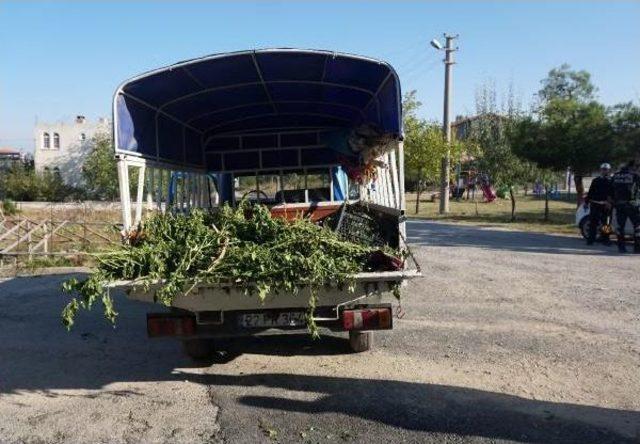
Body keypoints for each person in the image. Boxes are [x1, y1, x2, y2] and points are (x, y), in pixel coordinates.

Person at [610, 160, 640, 253]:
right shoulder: (635, 176)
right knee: (637, 226)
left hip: (619, 205)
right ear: (632, 167)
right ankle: (637, 248)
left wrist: (613, 202)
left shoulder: (615, 176)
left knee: (620, 227)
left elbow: (611, 190)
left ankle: (621, 247)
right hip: (631, 205)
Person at [584, 163, 613, 245]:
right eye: (603, 169)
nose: (604, 171)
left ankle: (605, 240)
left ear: (609, 170)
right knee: (593, 223)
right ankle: (590, 240)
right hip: (595, 204)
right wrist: (586, 202)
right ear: (600, 170)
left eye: (606, 169)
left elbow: (613, 193)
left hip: (606, 205)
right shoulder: (596, 180)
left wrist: (610, 203)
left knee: (606, 224)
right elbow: (590, 192)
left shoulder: (611, 180)